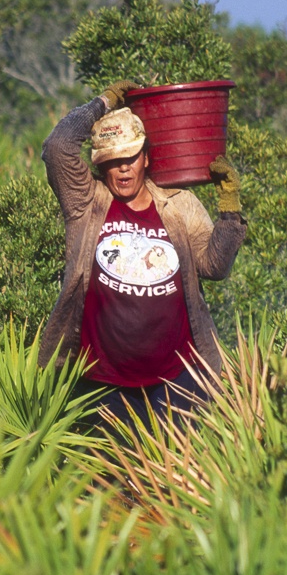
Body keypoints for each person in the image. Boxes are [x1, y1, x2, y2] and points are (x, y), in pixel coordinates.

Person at [38, 79, 246, 427]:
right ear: (102, 166)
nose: (123, 167)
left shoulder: (178, 204)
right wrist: (104, 102)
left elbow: (215, 266)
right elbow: (58, 146)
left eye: (131, 157)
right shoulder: (86, 202)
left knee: (177, 478)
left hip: (177, 382)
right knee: (107, 481)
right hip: (100, 385)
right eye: (113, 160)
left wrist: (229, 209)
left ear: (146, 157)